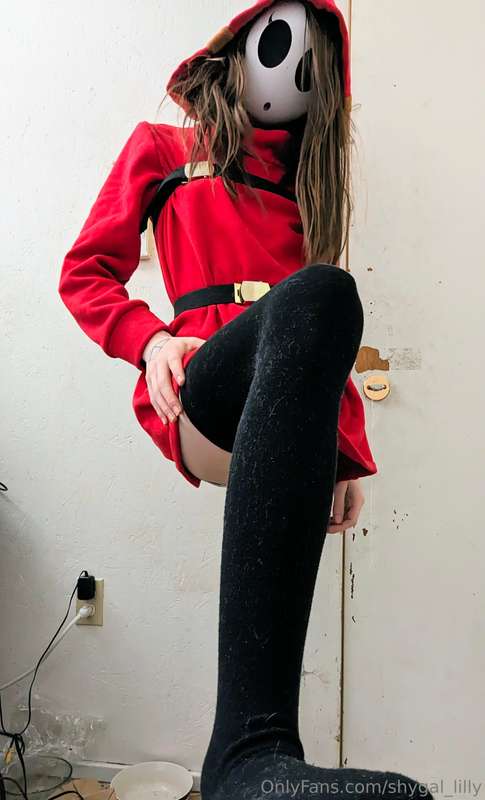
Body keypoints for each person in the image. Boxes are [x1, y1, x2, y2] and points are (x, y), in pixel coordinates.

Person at [58, 2, 433, 798]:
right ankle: (247, 749)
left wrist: (346, 454)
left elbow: (315, 340)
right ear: (236, 46)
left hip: (284, 399)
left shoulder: (303, 187)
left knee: (323, 293)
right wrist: (150, 343)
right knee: (318, 293)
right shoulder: (163, 148)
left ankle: (254, 761)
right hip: (203, 387)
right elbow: (85, 271)